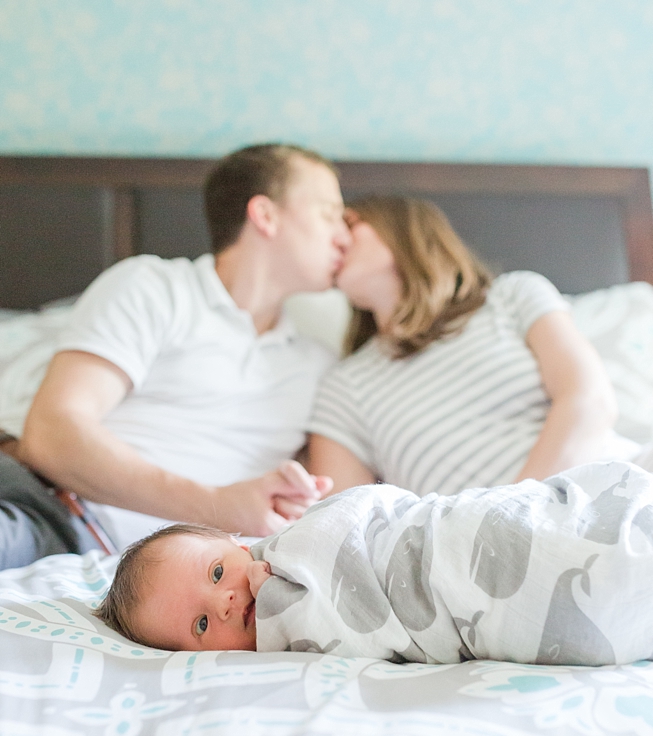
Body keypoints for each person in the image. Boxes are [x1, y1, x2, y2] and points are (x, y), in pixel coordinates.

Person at [0, 143, 351, 570]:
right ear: (265, 215)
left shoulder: (320, 366)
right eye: (329, 213)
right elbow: (52, 434)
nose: (344, 235)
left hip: (143, 573)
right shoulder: (155, 288)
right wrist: (217, 506)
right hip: (52, 509)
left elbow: (337, 504)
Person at [95, 459, 653, 667]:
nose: (224, 601)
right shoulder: (285, 644)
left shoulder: (296, 542)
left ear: (238, 545)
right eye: (200, 626)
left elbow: (369, 510)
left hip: (456, 530)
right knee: (603, 583)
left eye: (216, 572)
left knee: (574, 523)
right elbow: (354, 630)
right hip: (473, 600)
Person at [307, 196, 653, 497]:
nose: (335, 238)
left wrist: (521, 510)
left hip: (619, 481)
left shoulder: (511, 295)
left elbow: (589, 401)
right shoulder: (342, 388)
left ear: (404, 230)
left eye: (350, 223)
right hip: (493, 550)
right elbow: (349, 524)